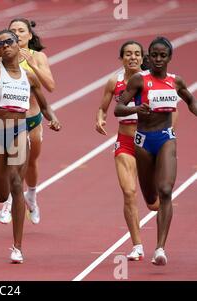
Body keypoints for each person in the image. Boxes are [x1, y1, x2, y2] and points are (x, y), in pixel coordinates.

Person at [0, 30, 61, 263]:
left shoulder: (29, 77)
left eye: (9, 42)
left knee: (17, 183)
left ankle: (17, 247)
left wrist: (52, 118)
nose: (5, 46)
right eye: (0, 44)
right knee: (2, 194)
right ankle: (9, 199)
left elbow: (44, 103)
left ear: (18, 46)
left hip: (20, 132)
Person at [115, 36, 197, 265]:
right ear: (148, 57)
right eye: (154, 55)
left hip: (166, 138)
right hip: (142, 142)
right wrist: (136, 108)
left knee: (166, 190)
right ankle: (155, 216)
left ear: (170, 57)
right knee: (151, 198)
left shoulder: (176, 81)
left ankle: (160, 248)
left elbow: (190, 101)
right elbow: (118, 108)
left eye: (163, 55)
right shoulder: (139, 81)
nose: (158, 59)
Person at [0, 18, 55, 225]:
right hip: (8, 122)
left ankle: (31, 194)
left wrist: (32, 66)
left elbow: (50, 86)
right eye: (14, 31)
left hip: (31, 120)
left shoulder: (38, 57)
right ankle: (11, 199)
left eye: (22, 30)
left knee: (30, 163)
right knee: (10, 164)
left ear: (30, 35)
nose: (18, 34)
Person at [95, 41, 157, 261]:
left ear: (142, 58)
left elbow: (170, 111)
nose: (132, 57)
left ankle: (160, 244)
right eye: (128, 54)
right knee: (129, 193)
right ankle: (137, 245)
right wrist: (100, 119)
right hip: (125, 143)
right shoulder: (115, 81)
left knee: (154, 203)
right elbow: (103, 108)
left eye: (137, 54)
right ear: (121, 58)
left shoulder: (152, 81)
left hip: (150, 142)